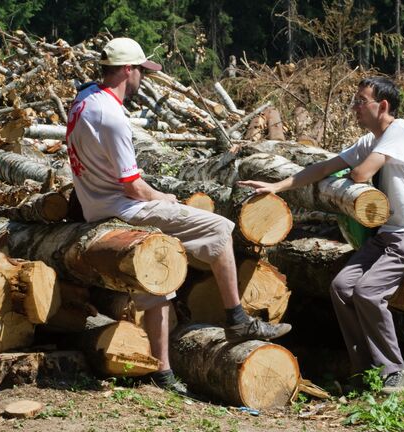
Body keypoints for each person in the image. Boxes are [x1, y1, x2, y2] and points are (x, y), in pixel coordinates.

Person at [65, 37, 291, 392]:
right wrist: (165, 198)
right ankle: (237, 319)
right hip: (124, 207)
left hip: (97, 206)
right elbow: (134, 187)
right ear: (128, 70)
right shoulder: (112, 118)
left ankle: (163, 373)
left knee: (158, 277)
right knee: (219, 228)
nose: (143, 78)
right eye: (141, 71)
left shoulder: (84, 101)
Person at [239, 77, 404, 393]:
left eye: (361, 101)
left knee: (367, 292)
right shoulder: (369, 141)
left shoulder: (401, 131)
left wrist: (352, 175)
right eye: (354, 101)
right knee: (342, 286)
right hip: (390, 235)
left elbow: (362, 174)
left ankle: (396, 372)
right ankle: (365, 371)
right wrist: (277, 186)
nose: (354, 108)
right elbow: (322, 168)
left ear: (384, 106)